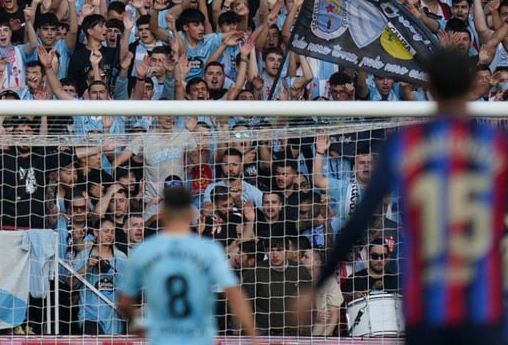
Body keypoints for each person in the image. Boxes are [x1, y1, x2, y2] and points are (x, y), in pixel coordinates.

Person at [300, 47, 508, 343]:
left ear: (430, 86)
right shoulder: (497, 145)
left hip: (426, 306)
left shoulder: (405, 144)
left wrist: (318, 285)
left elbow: (358, 222)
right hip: (482, 306)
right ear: (473, 85)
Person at [117, 185, 260, 344]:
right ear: (191, 213)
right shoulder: (208, 250)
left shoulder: (144, 250)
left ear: (162, 214)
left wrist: (136, 323)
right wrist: (253, 335)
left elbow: (123, 301)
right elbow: (234, 295)